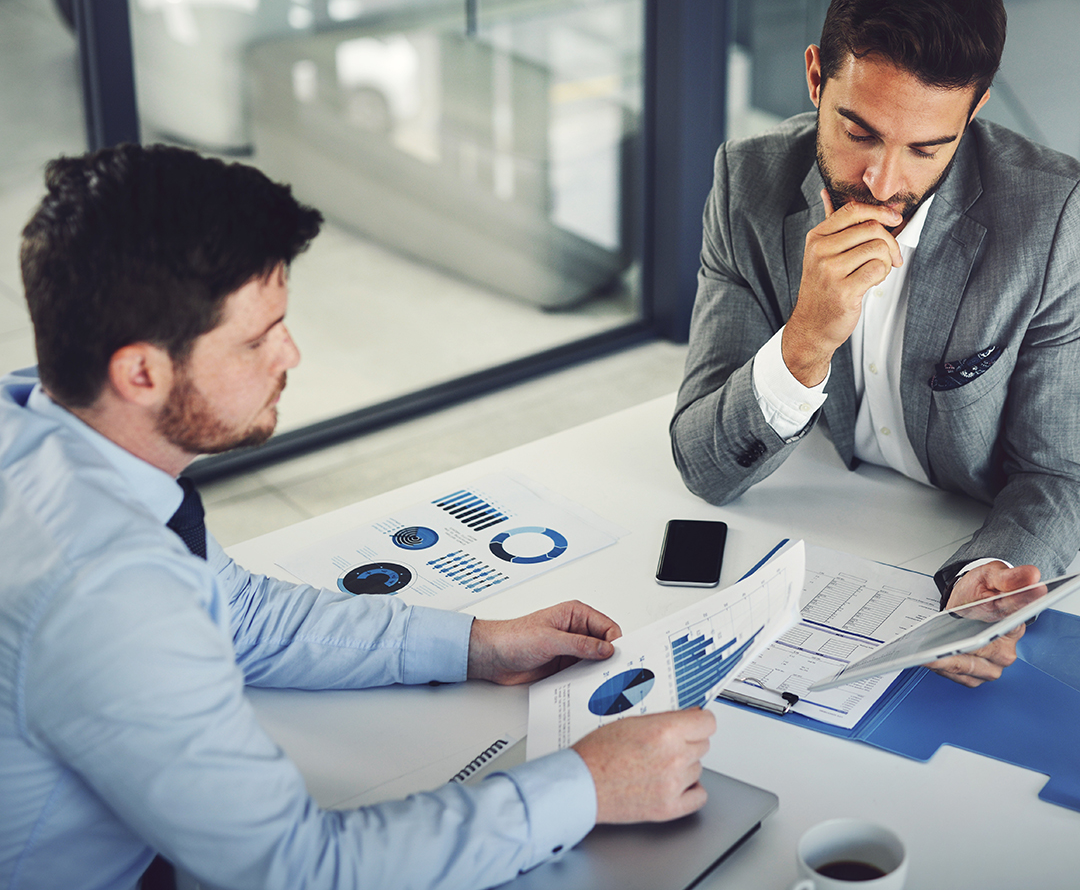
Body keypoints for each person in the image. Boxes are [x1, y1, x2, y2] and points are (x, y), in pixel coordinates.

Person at [0, 144, 714, 890]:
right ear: (140, 372)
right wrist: (589, 787)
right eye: (255, 338)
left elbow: (239, 615)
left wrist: (476, 644)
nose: (292, 354)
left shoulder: (46, 423)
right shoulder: (104, 592)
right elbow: (299, 871)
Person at [670, 0, 1080, 687]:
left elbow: (1060, 470)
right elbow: (704, 464)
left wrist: (984, 572)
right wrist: (804, 343)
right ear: (815, 76)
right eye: (859, 131)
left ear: (975, 110)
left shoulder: (1053, 221)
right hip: (817, 535)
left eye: (926, 148)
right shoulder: (746, 185)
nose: (883, 181)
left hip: (945, 541)